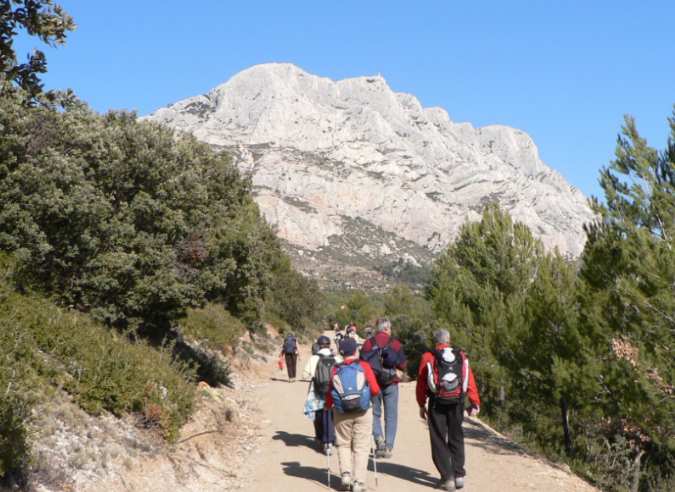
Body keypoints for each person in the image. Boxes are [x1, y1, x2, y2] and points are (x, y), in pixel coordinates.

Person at [416, 328, 480, 491]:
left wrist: (421, 404)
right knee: (456, 436)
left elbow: (422, 383)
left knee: (438, 438)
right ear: (449, 340)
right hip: (457, 402)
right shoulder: (460, 356)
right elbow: (469, 379)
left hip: (437, 403)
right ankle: (458, 475)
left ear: (434, 341)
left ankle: (447, 477)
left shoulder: (428, 356)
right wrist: (475, 402)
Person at [325, 338, 380, 492]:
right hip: (362, 411)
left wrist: (327, 407)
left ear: (342, 353)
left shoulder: (336, 369)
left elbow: (331, 392)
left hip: (341, 411)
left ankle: (346, 476)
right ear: (355, 351)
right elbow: (375, 390)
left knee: (343, 443)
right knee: (361, 447)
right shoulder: (364, 366)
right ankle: (358, 483)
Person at [360, 317, 408, 458]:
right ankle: (388, 447)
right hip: (391, 383)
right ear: (387, 328)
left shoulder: (368, 343)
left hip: (373, 383)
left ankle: (379, 439)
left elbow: (362, 363)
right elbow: (403, 366)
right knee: (391, 416)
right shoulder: (395, 343)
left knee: (375, 413)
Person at [302, 336, 343, 453]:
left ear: (318, 346)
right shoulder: (337, 358)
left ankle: (321, 438)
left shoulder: (314, 358)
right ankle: (330, 439)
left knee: (318, 413)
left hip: (317, 389)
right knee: (331, 413)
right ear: (330, 346)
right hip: (333, 388)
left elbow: (304, 375)